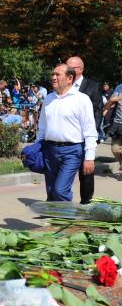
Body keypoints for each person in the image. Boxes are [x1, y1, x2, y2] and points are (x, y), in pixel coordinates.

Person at [36, 64, 97, 201]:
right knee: (52, 191)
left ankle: (67, 220)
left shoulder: (81, 99)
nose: (53, 77)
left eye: (57, 75)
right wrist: (37, 147)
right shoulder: (49, 99)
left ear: (70, 78)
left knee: (60, 190)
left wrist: (89, 157)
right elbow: (42, 127)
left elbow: (90, 131)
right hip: (50, 150)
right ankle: (55, 219)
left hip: (72, 151)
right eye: (53, 74)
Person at [66, 56, 102, 204]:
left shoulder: (92, 86)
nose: (67, 70)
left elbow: (98, 112)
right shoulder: (63, 85)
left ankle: (86, 201)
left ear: (80, 69)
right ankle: (58, 203)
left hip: (84, 137)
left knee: (86, 172)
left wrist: (93, 135)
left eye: (71, 68)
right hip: (66, 137)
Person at [103, 84, 122, 171]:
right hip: (117, 124)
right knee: (115, 149)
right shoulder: (119, 87)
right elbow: (110, 104)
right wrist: (110, 100)